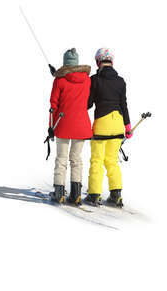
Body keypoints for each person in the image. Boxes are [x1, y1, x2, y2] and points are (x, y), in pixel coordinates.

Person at [84, 48, 132, 207]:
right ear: (112, 62)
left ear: (98, 62)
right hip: (118, 123)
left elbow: (89, 104)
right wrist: (128, 126)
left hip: (102, 123)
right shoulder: (120, 81)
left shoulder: (94, 80)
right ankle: (116, 195)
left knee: (97, 160)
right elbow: (123, 105)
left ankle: (94, 195)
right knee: (112, 161)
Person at [48, 48, 93, 205]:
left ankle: (59, 193)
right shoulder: (87, 80)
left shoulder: (59, 81)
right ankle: (76, 194)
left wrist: (51, 126)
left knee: (61, 158)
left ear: (65, 63)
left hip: (63, 123)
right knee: (76, 159)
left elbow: (53, 105)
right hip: (82, 124)